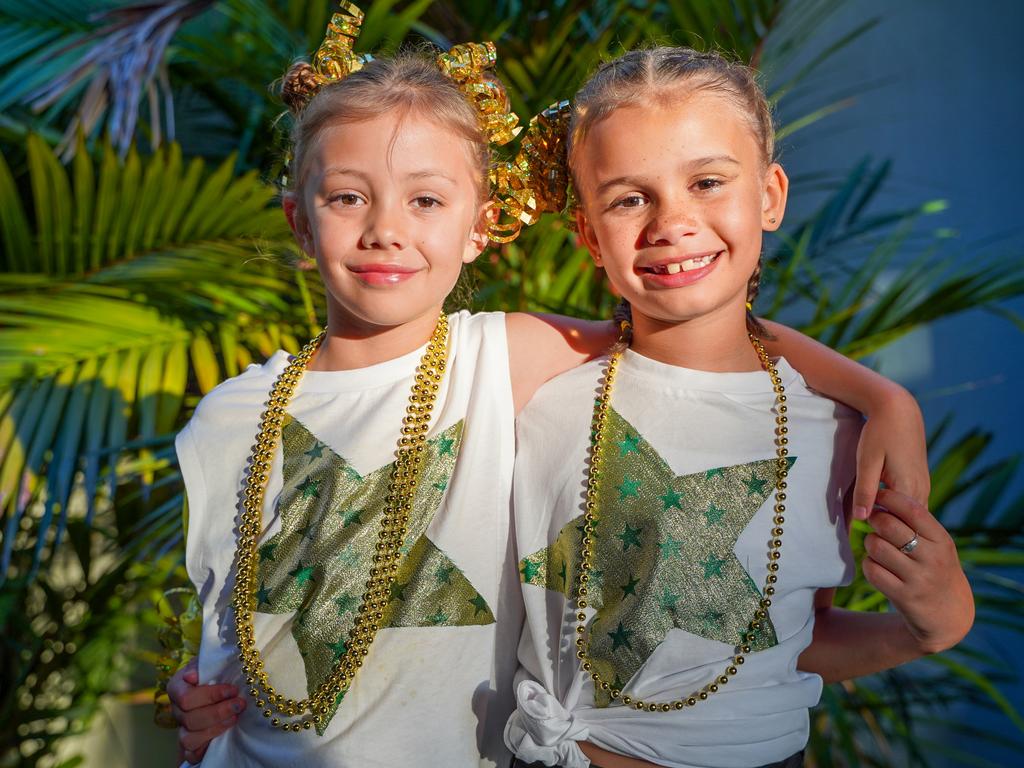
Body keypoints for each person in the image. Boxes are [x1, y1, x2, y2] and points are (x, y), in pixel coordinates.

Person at [167, 6, 941, 765]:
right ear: (300, 221)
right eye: (346, 196)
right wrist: (203, 695)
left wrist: (884, 399)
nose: (385, 229)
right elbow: (233, 623)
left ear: (482, 224)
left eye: (427, 198)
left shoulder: (506, 357)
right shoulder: (228, 419)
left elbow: (696, 334)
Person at [502, 47, 974, 768]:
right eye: (630, 198)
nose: (671, 222)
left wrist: (927, 629)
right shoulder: (537, 383)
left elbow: (782, 642)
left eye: (708, 181)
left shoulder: (838, 431)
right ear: (590, 236)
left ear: (770, 196)